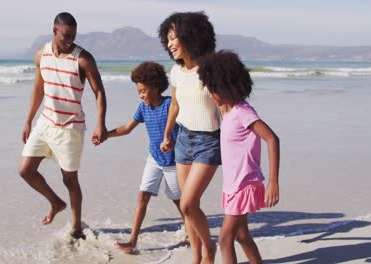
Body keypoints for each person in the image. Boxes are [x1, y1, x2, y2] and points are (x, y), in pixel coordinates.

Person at [18, 12, 107, 239]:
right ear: (55, 31)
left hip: (70, 128)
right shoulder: (42, 55)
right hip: (45, 123)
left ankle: (76, 226)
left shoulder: (83, 58)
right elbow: (38, 89)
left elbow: (99, 92)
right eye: (66, 35)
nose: (70, 40)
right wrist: (28, 120)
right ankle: (56, 203)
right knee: (26, 170)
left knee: (69, 179)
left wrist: (100, 124)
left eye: (73, 36)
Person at [198, 50, 280, 264]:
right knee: (242, 236)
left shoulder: (244, 112)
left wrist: (273, 182)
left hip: (244, 185)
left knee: (225, 240)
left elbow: (272, 139)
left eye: (213, 89)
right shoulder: (229, 110)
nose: (211, 93)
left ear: (227, 87)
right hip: (234, 186)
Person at [101, 62, 184, 254]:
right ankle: (132, 241)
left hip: (173, 162)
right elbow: (127, 128)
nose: (141, 95)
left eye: (144, 91)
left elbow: (184, 132)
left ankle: (191, 230)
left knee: (180, 202)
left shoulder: (170, 105)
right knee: (143, 196)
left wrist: (173, 142)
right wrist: (106, 134)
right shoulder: (143, 108)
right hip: (154, 159)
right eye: (139, 91)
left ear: (155, 87)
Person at [158, 12, 220, 264]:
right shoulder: (176, 71)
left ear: (190, 36)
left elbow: (226, 107)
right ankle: (196, 258)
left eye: (174, 38)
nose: (170, 44)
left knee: (187, 204)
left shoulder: (210, 69)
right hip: (183, 139)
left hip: (209, 141)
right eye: (168, 39)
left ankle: (210, 248)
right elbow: (174, 104)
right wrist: (167, 134)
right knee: (189, 209)